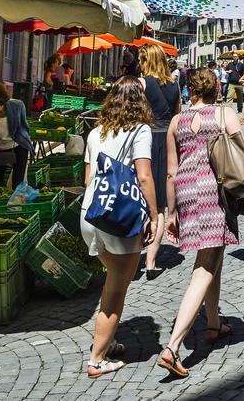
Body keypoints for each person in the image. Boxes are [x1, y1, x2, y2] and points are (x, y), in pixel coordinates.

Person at [156, 67, 244, 379]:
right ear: (216, 87)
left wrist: (170, 213)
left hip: (186, 193)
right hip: (213, 195)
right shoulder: (225, 115)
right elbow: (242, 158)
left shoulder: (177, 122)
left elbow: (170, 170)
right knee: (204, 266)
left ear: (189, 90)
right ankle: (173, 346)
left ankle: (211, 323)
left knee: (212, 257)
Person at [79, 76, 159, 378]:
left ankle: (108, 340)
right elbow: (144, 176)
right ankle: (97, 359)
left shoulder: (96, 132)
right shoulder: (140, 131)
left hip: (91, 213)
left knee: (111, 279)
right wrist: (153, 214)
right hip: (120, 217)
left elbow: (88, 179)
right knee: (116, 290)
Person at [138, 43, 180, 280]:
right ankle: (151, 262)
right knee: (162, 204)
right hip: (167, 141)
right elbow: (177, 115)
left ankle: (134, 257)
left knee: (142, 195)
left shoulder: (143, 83)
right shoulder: (175, 84)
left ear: (147, 61)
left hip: (146, 139)